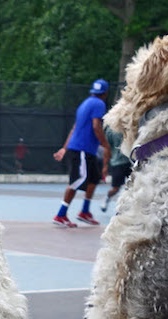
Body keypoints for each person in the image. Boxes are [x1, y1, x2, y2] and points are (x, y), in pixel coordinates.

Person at [52, 79, 111, 227]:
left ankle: (85, 212)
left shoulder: (84, 104)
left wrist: (64, 148)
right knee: (76, 181)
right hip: (81, 150)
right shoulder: (99, 104)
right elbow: (96, 126)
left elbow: (74, 128)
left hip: (84, 150)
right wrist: (105, 144)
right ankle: (60, 215)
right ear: (105, 93)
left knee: (94, 179)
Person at [101, 125, 131, 212]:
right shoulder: (110, 130)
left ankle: (126, 207)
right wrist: (105, 166)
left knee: (133, 186)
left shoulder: (131, 126)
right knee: (115, 188)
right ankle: (107, 198)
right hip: (117, 163)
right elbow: (107, 148)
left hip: (130, 162)